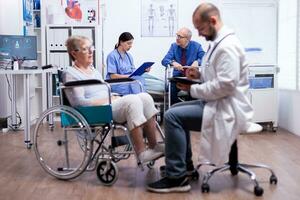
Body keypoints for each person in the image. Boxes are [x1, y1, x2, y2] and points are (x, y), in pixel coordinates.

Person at [147, 3, 253, 193]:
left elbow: (226, 85)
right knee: (173, 111)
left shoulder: (226, 46)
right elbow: (220, 76)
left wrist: (191, 89)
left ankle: (176, 177)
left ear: (212, 21)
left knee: (172, 117)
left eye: (200, 29)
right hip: (219, 102)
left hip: (226, 108)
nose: (199, 34)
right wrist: (199, 76)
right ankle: (184, 167)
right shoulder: (219, 43)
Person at [63, 35, 164, 163]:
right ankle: (142, 153)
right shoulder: (71, 74)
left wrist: (112, 97)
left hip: (108, 104)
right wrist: (108, 99)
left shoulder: (93, 70)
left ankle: (154, 146)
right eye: (85, 49)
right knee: (133, 101)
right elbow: (80, 103)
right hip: (96, 111)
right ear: (74, 53)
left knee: (146, 97)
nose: (90, 52)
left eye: (91, 48)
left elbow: (102, 89)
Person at [161, 27, 205, 105]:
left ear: (187, 39)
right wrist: (172, 63)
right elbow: (164, 60)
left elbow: (205, 58)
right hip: (178, 78)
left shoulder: (197, 46)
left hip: (192, 78)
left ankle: (191, 110)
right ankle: (177, 109)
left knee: (195, 91)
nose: (177, 38)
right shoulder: (174, 46)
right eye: (177, 35)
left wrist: (197, 62)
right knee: (170, 90)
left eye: (180, 36)